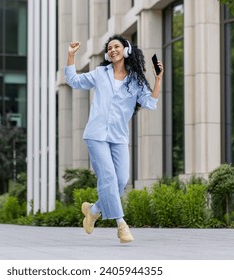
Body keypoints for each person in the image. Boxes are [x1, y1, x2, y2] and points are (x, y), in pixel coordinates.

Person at [65, 35, 164, 243]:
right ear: (107, 54)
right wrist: (71, 55)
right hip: (96, 135)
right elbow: (73, 81)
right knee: (108, 177)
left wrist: (158, 80)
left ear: (126, 50)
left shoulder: (135, 81)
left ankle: (93, 210)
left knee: (121, 180)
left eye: (116, 46)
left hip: (118, 137)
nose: (112, 50)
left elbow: (150, 103)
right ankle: (121, 225)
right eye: (109, 48)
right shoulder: (100, 74)